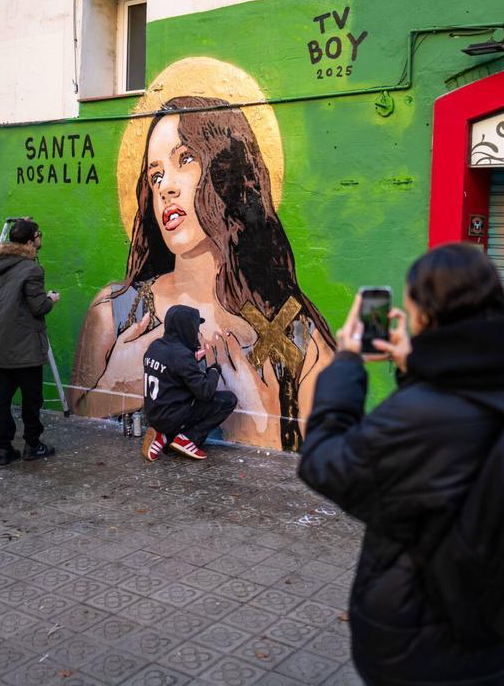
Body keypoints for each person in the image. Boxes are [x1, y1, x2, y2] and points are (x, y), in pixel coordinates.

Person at [298, 243, 504, 686]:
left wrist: (347, 361)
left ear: (425, 314)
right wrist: (416, 367)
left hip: (421, 650)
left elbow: (324, 462)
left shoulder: (418, 417)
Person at [71, 96, 334, 451]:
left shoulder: (300, 340)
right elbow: (72, 428)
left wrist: (264, 436)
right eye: (155, 175)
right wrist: (113, 386)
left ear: (229, 170)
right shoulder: (117, 311)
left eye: (186, 159)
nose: (166, 186)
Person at [0, 218, 59, 465]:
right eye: (38, 235)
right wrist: (51, 299)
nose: (40, 239)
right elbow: (38, 307)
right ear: (30, 241)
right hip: (25, 345)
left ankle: (4, 449)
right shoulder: (32, 269)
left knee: (2, 399)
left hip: (1, 343)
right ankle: (32, 445)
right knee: (31, 399)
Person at [140, 304, 238, 462]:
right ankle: (187, 439)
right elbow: (205, 392)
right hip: (172, 416)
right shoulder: (181, 356)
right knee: (228, 400)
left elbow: (171, 371)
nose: (197, 332)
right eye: (195, 327)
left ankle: (163, 436)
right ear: (185, 328)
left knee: (183, 400)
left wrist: (191, 360)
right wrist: (214, 370)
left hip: (155, 415)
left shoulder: (155, 347)